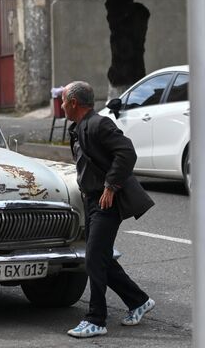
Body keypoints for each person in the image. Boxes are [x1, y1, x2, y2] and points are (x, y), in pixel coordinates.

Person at [61, 81, 154, 338]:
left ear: (74, 103)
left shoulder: (99, 124)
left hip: (106, 201)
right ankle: (138, 301)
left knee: (93, 258)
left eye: (63, 101)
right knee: (100, 258)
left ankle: (96, 319)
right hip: (92, 201)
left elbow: (127, 152)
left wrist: (111, 186)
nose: (60, 106)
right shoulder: (80, 127)